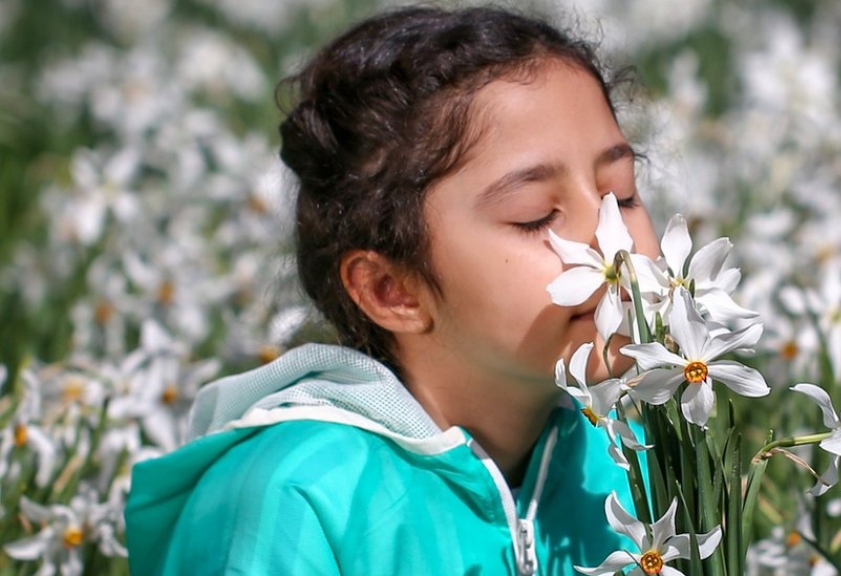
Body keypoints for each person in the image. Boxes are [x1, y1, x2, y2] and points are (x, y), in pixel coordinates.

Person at [125, 5, 661, 575]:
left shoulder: (634, 463)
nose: (616, 241)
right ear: (391, 291)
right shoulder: (294, 498)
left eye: (622, 194)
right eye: (534, 217)